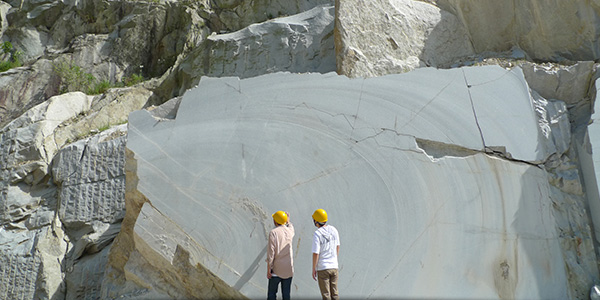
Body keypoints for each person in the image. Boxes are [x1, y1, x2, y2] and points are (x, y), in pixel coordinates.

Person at [311, 209, 340, 300]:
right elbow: (337, 246)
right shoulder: (334, 230)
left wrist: (314, 268)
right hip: (334, 266)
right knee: (335, 294)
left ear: (316, 221)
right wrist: (334, 259)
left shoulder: (317, 234)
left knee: (326, 295)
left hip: (323, 268)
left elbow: (316, 253)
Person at [267, 211, 295, 300]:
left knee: (272, 294)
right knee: (286, 295)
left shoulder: (273, 232)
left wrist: (268, 269)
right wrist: (288, 221)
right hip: (288, 270)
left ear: (275, 221)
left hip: (276, 270)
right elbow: (291, 227)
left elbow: (271, 253)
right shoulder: (290, 231)